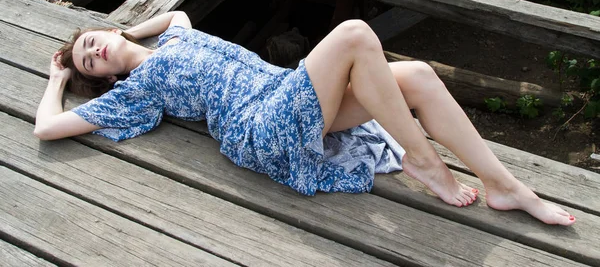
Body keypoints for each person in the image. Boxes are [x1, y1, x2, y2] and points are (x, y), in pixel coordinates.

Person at [35, 11, 575, 226]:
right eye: (88, 61)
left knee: (420, 76)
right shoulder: (136, 92)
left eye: (91, 41)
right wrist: (60, 78)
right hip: (259, 127)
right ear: (103, 79)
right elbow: (46, 129)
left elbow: (174, 14)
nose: (94, 52)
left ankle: (505, 185)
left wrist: (130, 29)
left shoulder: (173, 32)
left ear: (109, 31)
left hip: (286, 95)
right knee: (355, 33)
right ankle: (423, 158)